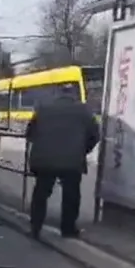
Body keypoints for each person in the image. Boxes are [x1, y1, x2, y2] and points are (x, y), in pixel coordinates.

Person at [25, 85, 100, 239]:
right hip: (72, 161)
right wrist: (82, 150)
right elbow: (95, 135)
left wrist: (42, 144)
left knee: (41, 193)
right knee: (71, 194)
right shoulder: (84, 110)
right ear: (74, 95)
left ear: (57, 94)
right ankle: (68, 229)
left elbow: (30, 133)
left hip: (45, 159)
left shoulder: (43, 108)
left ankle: (35, 227)